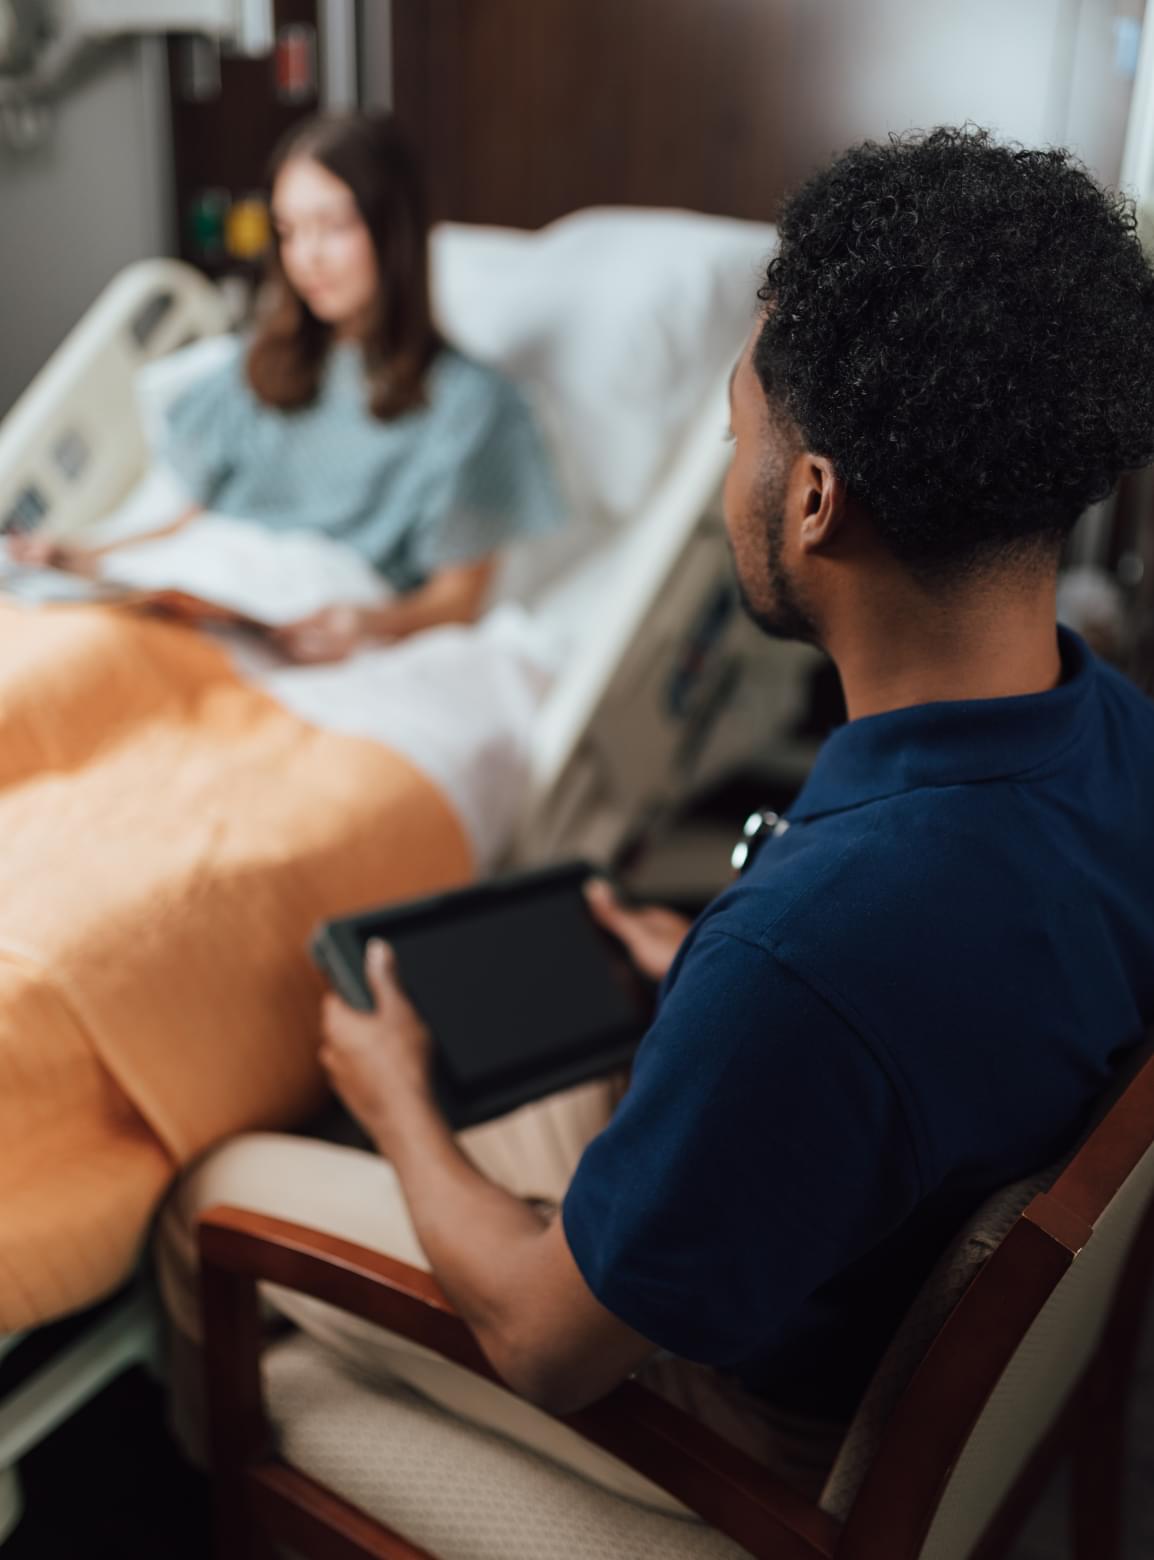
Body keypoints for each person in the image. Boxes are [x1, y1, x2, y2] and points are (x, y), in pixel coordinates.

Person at [157, 127, 1154, 1499]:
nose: (726, 460)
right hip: (879, 1276)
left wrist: (390, 1106)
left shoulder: (807, 956)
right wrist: (711, 970)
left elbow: (543, 1343)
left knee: (217, 1190)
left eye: (736, 427)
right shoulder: (1111, 734)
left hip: (756, 1435)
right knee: (526, 1058)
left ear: (811, 502)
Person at [10, 112, 563, 661]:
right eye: (290, 231)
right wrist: (87, 557)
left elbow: (457, 598)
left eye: (333, 227)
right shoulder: (265, 365)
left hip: (306, 609)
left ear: (394, 227)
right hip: (200, 587)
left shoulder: (470, 406)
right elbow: (192, 519)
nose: (307, 257)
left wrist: (370, 623)